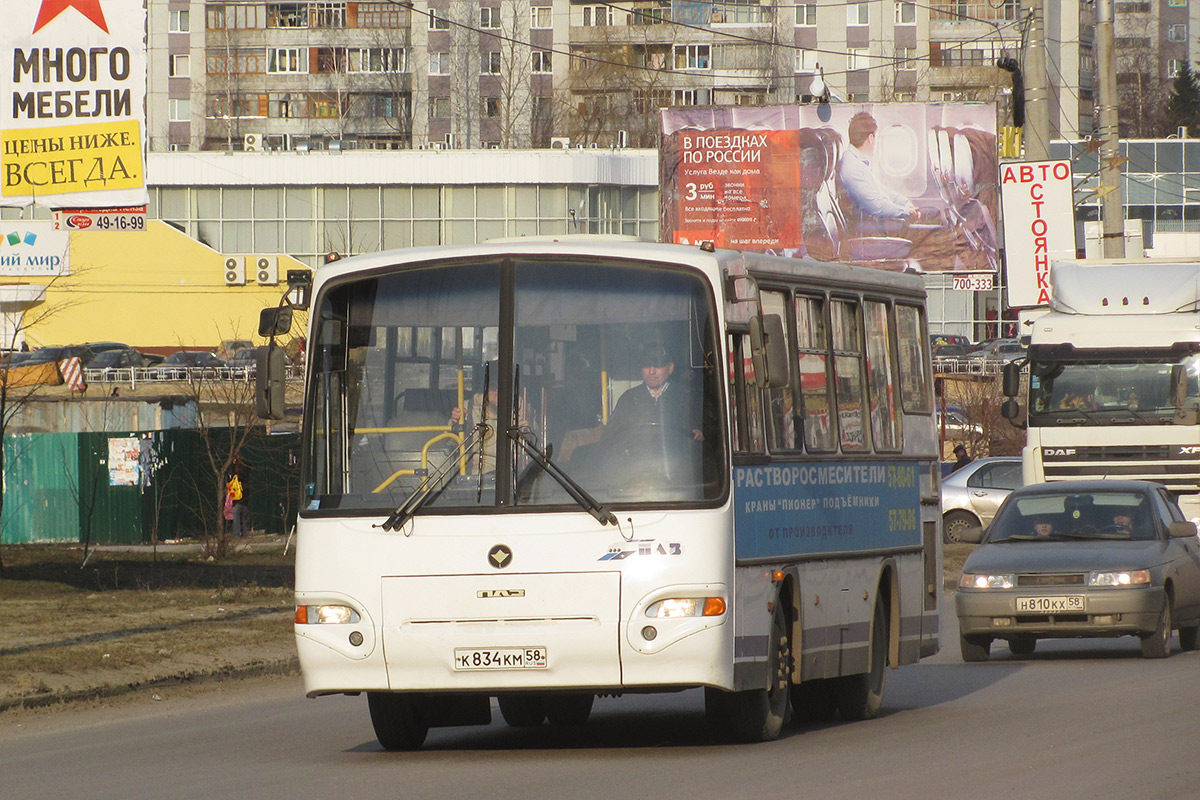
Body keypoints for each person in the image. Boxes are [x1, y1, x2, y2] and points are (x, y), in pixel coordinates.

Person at [606, 343, 704, 446]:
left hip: (677, 459)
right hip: (636, 460)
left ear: (670, 368)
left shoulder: (689, 397)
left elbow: (710, 433)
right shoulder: (628, 399)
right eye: (646, 365)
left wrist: (699, 432)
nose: (651, 371)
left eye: (657, 365)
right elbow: (611, 436)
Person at [838, 111, 919, 232]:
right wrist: (906, 211)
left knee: (929, 213)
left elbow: (880, 189)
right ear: (870, 138)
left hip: (874, 224)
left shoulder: (858, 161)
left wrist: (904, 202)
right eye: (876, 137)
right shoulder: (852, 167)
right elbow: (877, 207)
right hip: (869, 229)